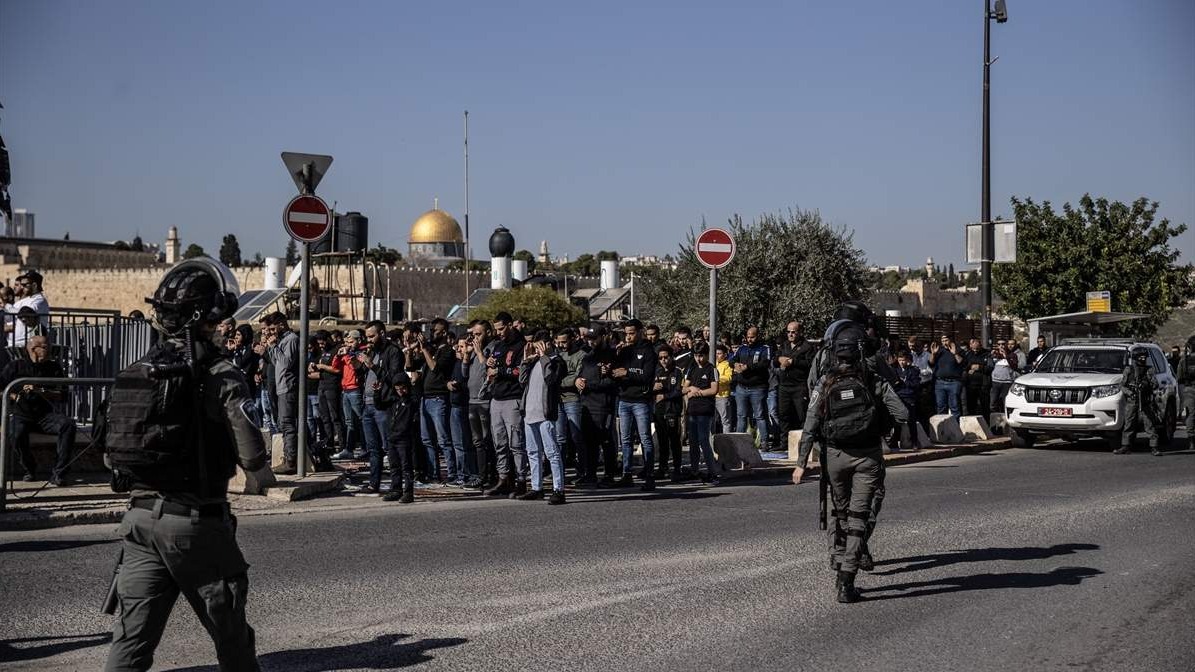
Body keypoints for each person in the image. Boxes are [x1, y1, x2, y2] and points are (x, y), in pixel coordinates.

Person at [104, 257, 274, 671]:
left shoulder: (139, 371)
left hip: (139, 521)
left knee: (130, 644)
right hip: (194, 522)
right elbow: (252, 455)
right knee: (232, 638)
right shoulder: (221, 374)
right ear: (206, 318)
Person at [792, 327, 909, 604]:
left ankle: (837, 558)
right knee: (858, 519)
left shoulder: (825, 381)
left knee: (840, 513)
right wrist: (883, 425)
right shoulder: (874, 379)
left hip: (834, 457)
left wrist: (800, 464)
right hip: (867, 457)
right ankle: (847, 581)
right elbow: (902, 412)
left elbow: (810, 425)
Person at [1, 335, 77, 485]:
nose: (48, 350)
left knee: (68, 424)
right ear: (32, 349)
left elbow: (63, 395)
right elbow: (1, 389)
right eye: (44, 347)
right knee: (16, 433)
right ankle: (29, 468)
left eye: (48, 346)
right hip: (20, 414)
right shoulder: (15, 366)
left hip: (45, 416)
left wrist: (41, 391)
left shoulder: (53, 367)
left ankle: (59, 473)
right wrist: (13, 395)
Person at [518, 330, 567, 504]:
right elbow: (522, 381)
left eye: (539, 344)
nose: (536, 349)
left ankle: (558, 489)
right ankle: (536, 487)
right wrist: (525, 360)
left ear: (548, 344)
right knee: (532, 452)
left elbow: (551, 380)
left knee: (552, 452)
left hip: (546, 414)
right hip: (529, 413)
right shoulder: (534, 362)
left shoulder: (557, 362)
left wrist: (545, 357)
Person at [483, 312, 528, 497]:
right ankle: (503, 478)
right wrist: (490, 364)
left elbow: (519, 370)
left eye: (501, 328)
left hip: (513, 399)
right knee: (499, 442)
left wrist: (499, 370)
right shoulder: (498, 345)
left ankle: (521, 479)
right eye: (496, 329)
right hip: (497, 399)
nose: (498, 332)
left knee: (516, 443)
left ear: (510, 325)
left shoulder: (522, 345)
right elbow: (492, 367)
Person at [358, 321, 405, 493]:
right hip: (368, 404)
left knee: (390, 447)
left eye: (372, 336)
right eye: (367, 337)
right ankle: (373, 483)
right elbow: (360, 373)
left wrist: (373, 365)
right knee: (373, 449)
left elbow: (394, 377)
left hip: (384, 405)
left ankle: (396, 485)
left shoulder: (393, 351)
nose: (368, 340)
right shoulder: (372, 351)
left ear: (382, 334)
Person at [614, 318, 658, 490]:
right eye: (626, 334)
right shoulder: (624, 351)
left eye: (632, 333)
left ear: (640, 332)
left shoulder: (649, 352)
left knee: (645, 438)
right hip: (624, 399)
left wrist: (628, 373)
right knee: (625, 440)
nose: (628, 337)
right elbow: (616, 372)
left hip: (641, 401)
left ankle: (649, 475)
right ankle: (626, 473)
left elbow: (646, 376)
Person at [577, 326, 619, 486]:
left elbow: (611, 381)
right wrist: (578, 381)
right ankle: (590, 474)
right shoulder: (588, 356)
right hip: (587, 404)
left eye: (594, 338)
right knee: (590, 442)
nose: (591, 341)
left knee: (606, 441)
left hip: (603, 404)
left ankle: (609, 475)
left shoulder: (611, 355)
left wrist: (590, 386)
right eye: (589, 338)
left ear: (603, 336)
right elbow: (581, 374)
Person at [418, 318, 458, 484]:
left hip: (438, 398)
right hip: (425, 398)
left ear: (444, 333)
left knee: (443, 440)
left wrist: (425, 350)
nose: (432, 333)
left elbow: (435, 367)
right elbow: (411, 366)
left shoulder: (447, 351)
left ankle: (452, 473)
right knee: (427, 439)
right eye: (431, 330)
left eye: (436, 331)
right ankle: (433, 473)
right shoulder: (432, 349)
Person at [260, 312, 300, 474]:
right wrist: (270, 348)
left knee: (287, 423)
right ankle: (288, 456)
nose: (269, 332)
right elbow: (276, 362)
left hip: (288, 386)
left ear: (281, 324)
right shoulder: (282, 340)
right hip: (280, 386)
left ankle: (291, 461)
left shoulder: (291, 340)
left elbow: (286, 363)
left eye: (272, 328)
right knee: (282, 422)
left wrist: (274, 346)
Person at [683, 342, 720, 482]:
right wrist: (690, 388)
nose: (699, 359)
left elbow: (714, 389)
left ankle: (712, 472)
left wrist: (698, 392)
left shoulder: (712, 369)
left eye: (702, 355)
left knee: (704, 441)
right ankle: (694, 470)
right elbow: (685, 387)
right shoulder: (691, 368)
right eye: (697, 355)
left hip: (705, 410)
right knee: (692, 442)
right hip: (692, 410)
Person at [730, 326, 772, 448]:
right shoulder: (742, 348)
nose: (749, 339)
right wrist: (736, 364)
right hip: (742, 387)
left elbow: (765, 363)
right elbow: (731, 360)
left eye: (752, 337)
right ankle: (739, 441)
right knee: (741, 415)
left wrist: (748, 367)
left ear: (757, 336)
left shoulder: (765, 348)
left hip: (758, 388)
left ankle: (764, 442)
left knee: (759, 415)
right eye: (748, 337)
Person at [775, 321, 815, 447]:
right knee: (783, 414)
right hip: (784, 386)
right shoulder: (784, 345)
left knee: (801, 414)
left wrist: (793, 362)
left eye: (793, 332)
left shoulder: (807, 347)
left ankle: (804, 443)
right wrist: (779, 359)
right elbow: (775, 358)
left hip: (799, 386)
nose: (790, 334)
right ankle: (784, 443)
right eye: (788, 332)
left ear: (799, 332)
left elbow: (810, 364)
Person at [553, 328, 586, 481]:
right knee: (560, 438)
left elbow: (579, 377)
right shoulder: (557, 354)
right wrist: (571, 380)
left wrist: (566, 381)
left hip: (573, 400)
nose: (561, 345)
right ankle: (560, 471)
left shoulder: (581, 355)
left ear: (572, 339)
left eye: (564, 342)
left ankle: (582, 470)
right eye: (559, 342)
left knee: (576, 435)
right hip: (558, 400)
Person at [465, 320, 495, 487]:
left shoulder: (492, 348)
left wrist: (480, 353)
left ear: (488, 333)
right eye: (474, 334)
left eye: (479, 334)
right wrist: (467, 355)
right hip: (472, 400)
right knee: (477, 441)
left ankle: (492, 475)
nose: (475, 338)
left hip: (485, 400)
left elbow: (488, 373)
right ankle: (481, 475)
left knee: (487, 439)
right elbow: (465, 374)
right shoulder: (474, 352)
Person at [1117, 349, 1161, 456]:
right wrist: (1130, 392)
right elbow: (1122, 386)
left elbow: (1155, 384)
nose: (1143, 359)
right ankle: (1125, 446)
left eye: (1144, 358)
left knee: (1149, 424)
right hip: (1132, 400)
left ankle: (1154, 447)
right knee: (1129, 423)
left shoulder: (1149, 370)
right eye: (1141, 357)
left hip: (1145, 400)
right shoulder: (1129, 370)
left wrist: (1146, 385)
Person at [383, 371, 417, 503]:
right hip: (392, 437)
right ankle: (396, 489)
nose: (400, 391)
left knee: (406, 466)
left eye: (403, 388)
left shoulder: (411, 400)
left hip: (404, 438)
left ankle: (408, 492)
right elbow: (380, 404)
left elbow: (409, 417)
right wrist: (376, 392)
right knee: (394, 466)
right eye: (397, 389)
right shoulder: (394, 400)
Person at [652, 345, 685, 480]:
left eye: (666, 357)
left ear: (671, 357)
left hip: (672, 410)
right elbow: (648, 388)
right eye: (661, 358)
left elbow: (679, 390)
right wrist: (653, 387)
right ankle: (662, 467)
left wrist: (665, 396)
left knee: (674, 441)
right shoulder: (656, 371)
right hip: (659, 411)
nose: (663, 360)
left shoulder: (677, 372)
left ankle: (677, 468)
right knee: (662, 441)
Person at [447, 335, 476, 487]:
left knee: (464, 444)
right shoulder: (457, 362)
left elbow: (467, 381)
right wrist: (449, 384)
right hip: (455, 405)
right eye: (457, 346)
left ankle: (466, 475)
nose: (458, 349)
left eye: (462, 346)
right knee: (458, 443)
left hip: (464, 405)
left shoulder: (469, 362)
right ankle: (463, 474)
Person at [6, 270, 50, 347]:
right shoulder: (25, 300)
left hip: (27, 344)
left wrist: (6, 305)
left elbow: (26, 314)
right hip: (14, 343)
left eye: (25, 285)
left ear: (34, 285)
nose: (22, 287)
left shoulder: (39, 301)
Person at [929, 335, 965, 418]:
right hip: (940, 383)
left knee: (955, 407)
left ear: (951, 340)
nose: (944, 342)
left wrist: (955, 353)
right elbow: (931, 363)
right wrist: (933, 354)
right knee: (941, 407)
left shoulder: (959, 350)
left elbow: (961, 363)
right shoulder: (939, 351)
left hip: (954, 383)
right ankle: (943, 429)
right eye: (942, 341)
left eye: (946, 340)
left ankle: (955, 429)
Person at [893, 351, 922, 450]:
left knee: (911, 421)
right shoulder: (895, 370)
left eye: (903, 360)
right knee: (897, 420)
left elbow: (916, 384)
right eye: (900, 360)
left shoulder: (913, 370)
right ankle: (894, 442)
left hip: (909, 397)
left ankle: (914, 442)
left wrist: (905, 382)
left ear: (908, 360)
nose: (901, 362)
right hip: (899, 397)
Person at [987, 340, 1020, 415]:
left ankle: (1006, 420)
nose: (1001, 346)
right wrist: (990, 356)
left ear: (1006, 345)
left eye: (1003, 344)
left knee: (1005, 403)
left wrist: (1006, 356)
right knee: (993, 403)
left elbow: (1015, 366)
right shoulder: (995, 355)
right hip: (995, 382)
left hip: (1007, 382)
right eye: (999, 344)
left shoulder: (1012, 355)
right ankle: (995, 420)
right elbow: (989, 366)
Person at [962, 337, 990, 417]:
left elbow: (990, 368)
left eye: (975, 342)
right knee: (971, 407)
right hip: (970, 385)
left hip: (983, 385)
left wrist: (979, 367)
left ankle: (987, 425)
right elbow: (964, 366)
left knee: (985, 407)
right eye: (971, 343)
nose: (972, 345)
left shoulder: (987, 353)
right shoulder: (967, 354)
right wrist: (969, 368)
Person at [1176, 336, 1195, 451]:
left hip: (1189, 389)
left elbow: (1180, 377)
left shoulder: (1184, 360)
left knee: (1191, 415)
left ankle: (1192, 441)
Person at [714, 343, 734, 433]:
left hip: (722, 396)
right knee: (713, 420)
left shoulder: (727, 364)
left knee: (725, 420)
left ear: (725, 354)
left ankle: (727, 441)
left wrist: (717, 379)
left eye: (719, 353)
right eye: (716, 353)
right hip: (712, 395)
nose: (717, 355)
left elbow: (728, 378)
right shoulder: (713, 363)